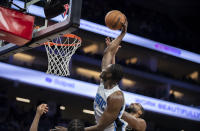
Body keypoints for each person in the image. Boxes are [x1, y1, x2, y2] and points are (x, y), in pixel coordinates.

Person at [85, 20, 128, 131]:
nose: (103, 70)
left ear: (109, 76)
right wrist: (122, 34)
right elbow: (107, 52)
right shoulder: (105, 81)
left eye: (106, 70)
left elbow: (100, 127)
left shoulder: (116, 97)